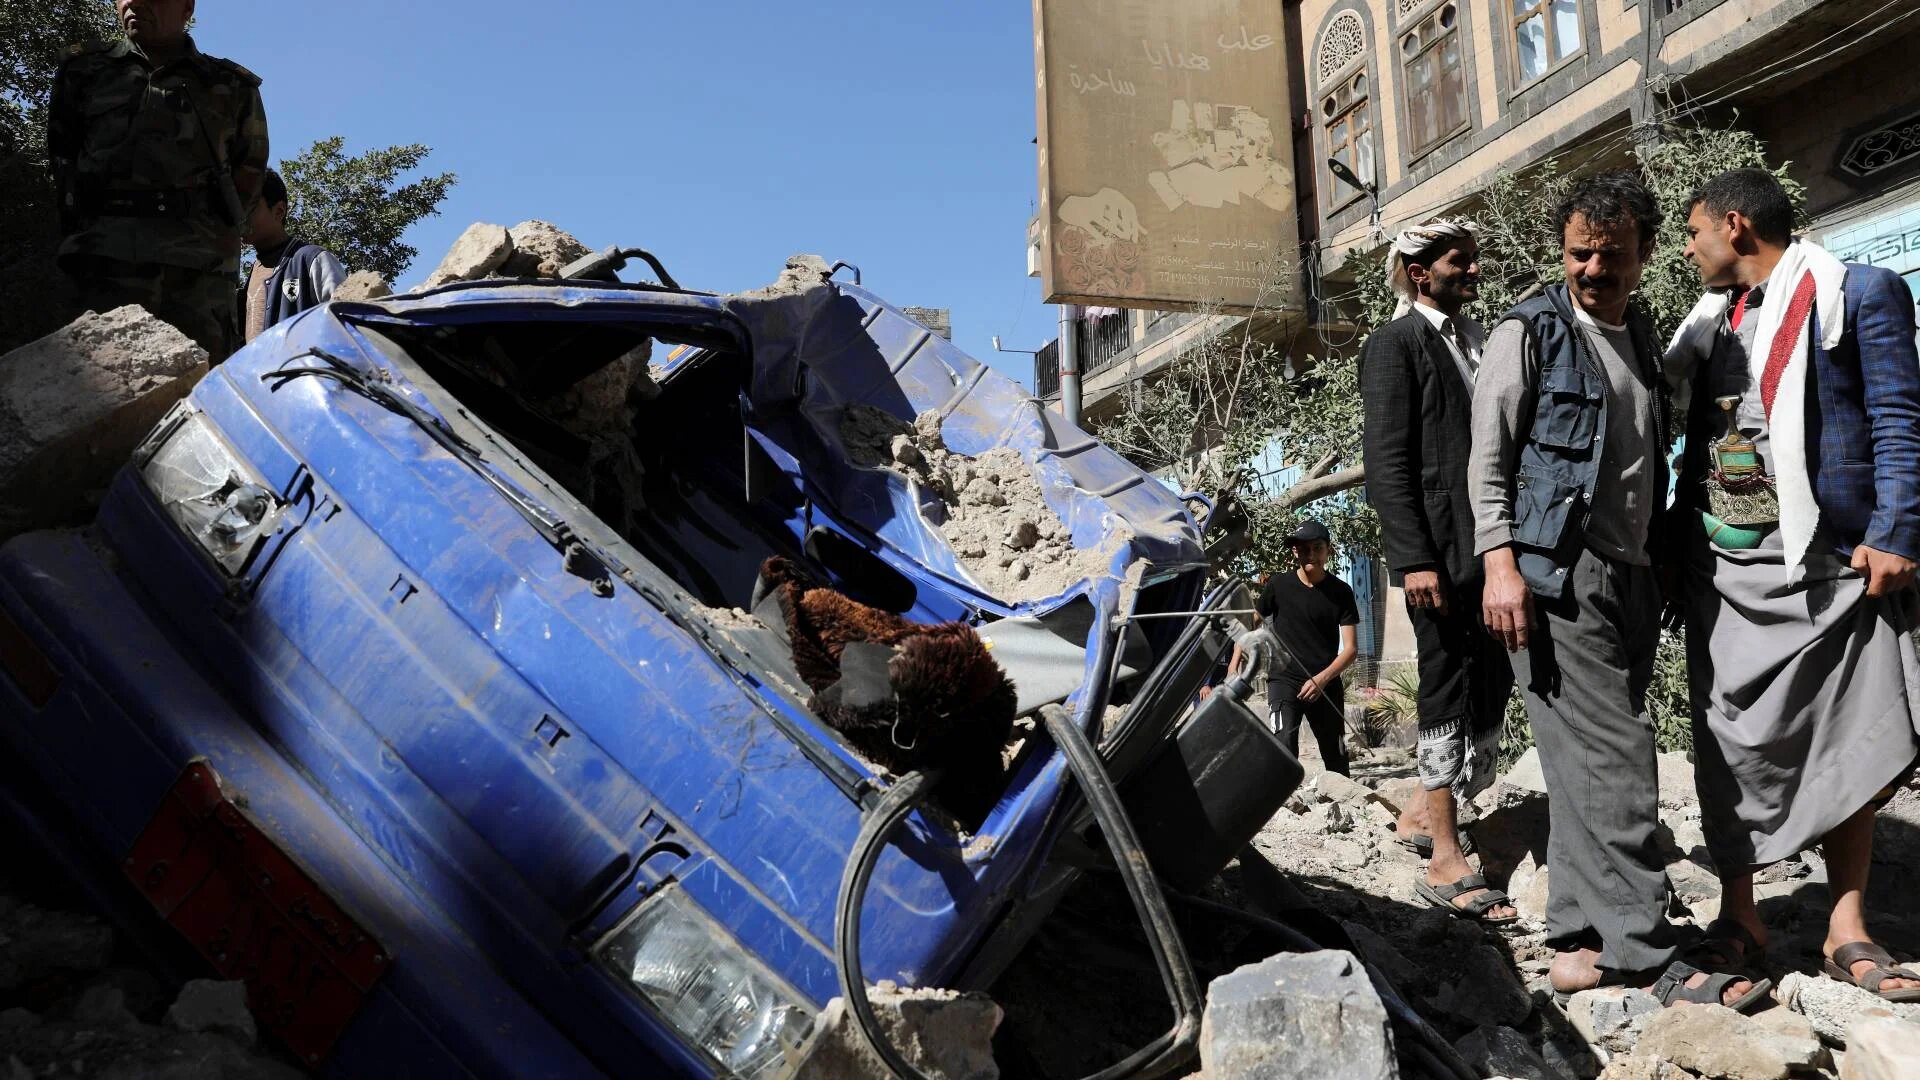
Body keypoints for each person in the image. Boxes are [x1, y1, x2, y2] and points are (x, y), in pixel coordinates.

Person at [1470, 171, 1764, 1010]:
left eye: (1613, 254)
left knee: (1581, 767)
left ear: (1641, 254)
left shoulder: (1637, 332)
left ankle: (1576, 940)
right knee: (1620, 757)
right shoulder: (1527, 331)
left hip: (1630, 576)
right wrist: (1499, 566)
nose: (1594, 269)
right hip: (1554, 576)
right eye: (1579, 254)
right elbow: (1487, 459)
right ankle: (1645, 947)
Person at [1668, 167, 1920, 1001]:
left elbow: (1897, 417)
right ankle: (1743, 914)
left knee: (1852, 736)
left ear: (1735, 225)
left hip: (1833, 562)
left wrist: (1894, 531)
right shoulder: (1708, 327)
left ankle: (1846, 923)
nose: (1690, 249)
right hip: (1728, 569)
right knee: (1726, 737)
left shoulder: (1860, 293)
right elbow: (1699, 448)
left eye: (1696, 231)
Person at [1360, 218, 1517, 923]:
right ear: (1421, 273)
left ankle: (1426, 813)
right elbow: (1388, 463)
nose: (1475, 273)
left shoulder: (1479, 340)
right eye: (1462, 262)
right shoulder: (1394, 345)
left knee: (1494, 678)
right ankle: (1445, 856)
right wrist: (1413, 557)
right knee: (1447, 685)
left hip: (1490, 551)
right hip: (1440, 555)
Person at [48, 0, 269, 361]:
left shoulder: (232, 86)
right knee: (98, 400)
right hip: (102, 266)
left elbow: (250, 174)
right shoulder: (84, 71)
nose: (132, 2)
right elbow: (63, 162)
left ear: (186, 8)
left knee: (196, 397)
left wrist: (204, 235)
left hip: (197, 277)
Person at [1251, 521, 1359, 776]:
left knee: (1337, 757)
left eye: (1316, 547)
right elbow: (1249, 624)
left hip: (1325, 683)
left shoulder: (1341, 592)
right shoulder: (1278, 586)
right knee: (1283, 746)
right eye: (1302, 549)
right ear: (1294, 552)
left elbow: (1351, 649)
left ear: (1328, 550)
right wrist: (1234, 666)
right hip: (1284, 679)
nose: (1310, 554)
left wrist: (1322, 680)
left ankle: (1346, 807)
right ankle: (1285, 805)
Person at [239, 169, 346, 344]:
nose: (241, 216)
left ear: (279, 211)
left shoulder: (312, 260)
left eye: (250, 207)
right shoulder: (252, 273)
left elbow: (346, 325)